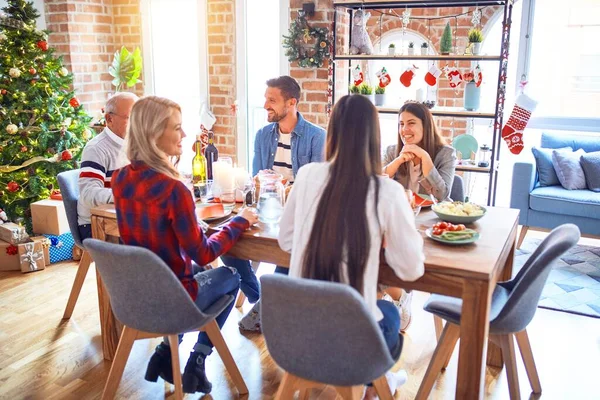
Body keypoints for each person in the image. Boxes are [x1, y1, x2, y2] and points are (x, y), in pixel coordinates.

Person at [278, 94, 425, 397]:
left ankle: (371, 384)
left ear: (331, 134)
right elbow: (410, 270)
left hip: (296, 335)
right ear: (374, 137)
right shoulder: (386, 191)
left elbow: (286, 241)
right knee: (391, 316)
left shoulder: (305, 176)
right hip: (352, 343)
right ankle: (375, 382)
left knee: (372, 309)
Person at [111, 96, 259, 394]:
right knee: (229, 276)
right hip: (174, 300)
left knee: (200, 267)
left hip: (138, 296)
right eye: (177, 128)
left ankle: (166, 353)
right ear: (154, 134)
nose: (184, 135)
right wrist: (240, 220)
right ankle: (197, 362)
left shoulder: (121, 178)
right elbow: (203, 251)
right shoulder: (174, 188)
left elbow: (154, 233)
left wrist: (192, 224)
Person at [221, 75, 326, 331]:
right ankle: (262, 302)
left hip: (299, 213)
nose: (266, 105)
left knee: (288, 248)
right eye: (266, 99)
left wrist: (282, 186)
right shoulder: (262, 135)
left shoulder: (317, 136)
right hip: (266, 208)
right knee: (227, 247)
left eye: (272, 100)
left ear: (292, 102)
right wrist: (268, 186)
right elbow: (257, 177)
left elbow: (314, 184)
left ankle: (265, 310)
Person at [382, 101, 456, 332]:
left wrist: (425, 160)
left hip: (431, 223)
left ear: (426, 125)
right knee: (378, 252)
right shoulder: (392, 151)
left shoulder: (446, 153)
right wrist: (398, 161)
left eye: (411, 123)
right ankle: (398, 298)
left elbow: (443, 195)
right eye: (401, 124)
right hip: (399, 220)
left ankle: (400, 299)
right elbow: (376, 182)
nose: (405, 129)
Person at [77, 92, 138, 240]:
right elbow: (87, 193)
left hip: (126, 217)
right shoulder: (96, 149)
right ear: (109, 119)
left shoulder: (136, 143)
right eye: (131, 117)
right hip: (95, 224)